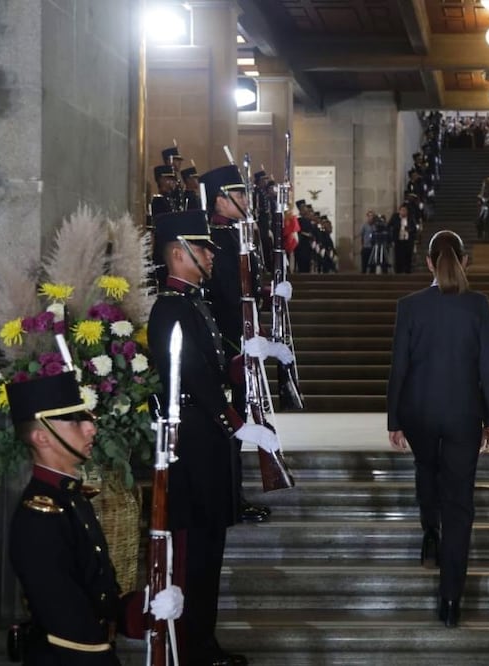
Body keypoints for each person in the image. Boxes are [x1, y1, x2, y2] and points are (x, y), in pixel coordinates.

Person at [149, 210, 281, 665]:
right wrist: (235, 422)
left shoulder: (194, 304)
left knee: (210, 555)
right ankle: (192, 647)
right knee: (196, 558)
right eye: (200, 248)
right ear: (177, 254)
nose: (209, 254)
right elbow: (193, 380)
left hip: (211, 448)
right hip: (195, 451)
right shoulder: (170, 308)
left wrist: (248, 356)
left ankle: (204, 642)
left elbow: (215, 365)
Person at [6, 372, 183, 664]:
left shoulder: (72, 499)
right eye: (75, 421)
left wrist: (146, 608)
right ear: (42, 437)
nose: (91, 428)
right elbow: (71, 630)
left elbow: (98, 597)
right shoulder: (40, 516)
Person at [386, 230, 489, 629]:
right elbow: (488, 367)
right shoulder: (478, 305)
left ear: (429, 263)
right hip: (463, 414)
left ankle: (429, 532)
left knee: (426, 469)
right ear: (464, 261)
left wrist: (394, 419)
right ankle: (450, 597)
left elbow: (399, 366)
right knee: (460, 503)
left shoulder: (410, 306)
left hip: (417, 411)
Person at [198, 164, 287, 524]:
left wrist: (267, 294)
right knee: (230, 426)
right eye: (240, 195)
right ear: (220, 199)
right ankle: (229, 498)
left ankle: (233, 496)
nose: (247, 201)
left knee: (239, 424)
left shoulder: (235, 234)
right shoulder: (215, 238)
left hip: (240, 340)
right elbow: (228, 293)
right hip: (227, 343)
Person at [389, 204, 417, 274]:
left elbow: (414, 228)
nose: (403, 212)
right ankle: (398, 271)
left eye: (405, 210)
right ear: (399, 211)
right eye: (402, 210)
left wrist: (409, 229)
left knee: (408, 256)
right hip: (399, 240)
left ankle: (408, 271)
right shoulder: (395, 217)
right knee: (398, 256)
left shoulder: (410, 218)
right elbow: (389, 226)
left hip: (408, 240)